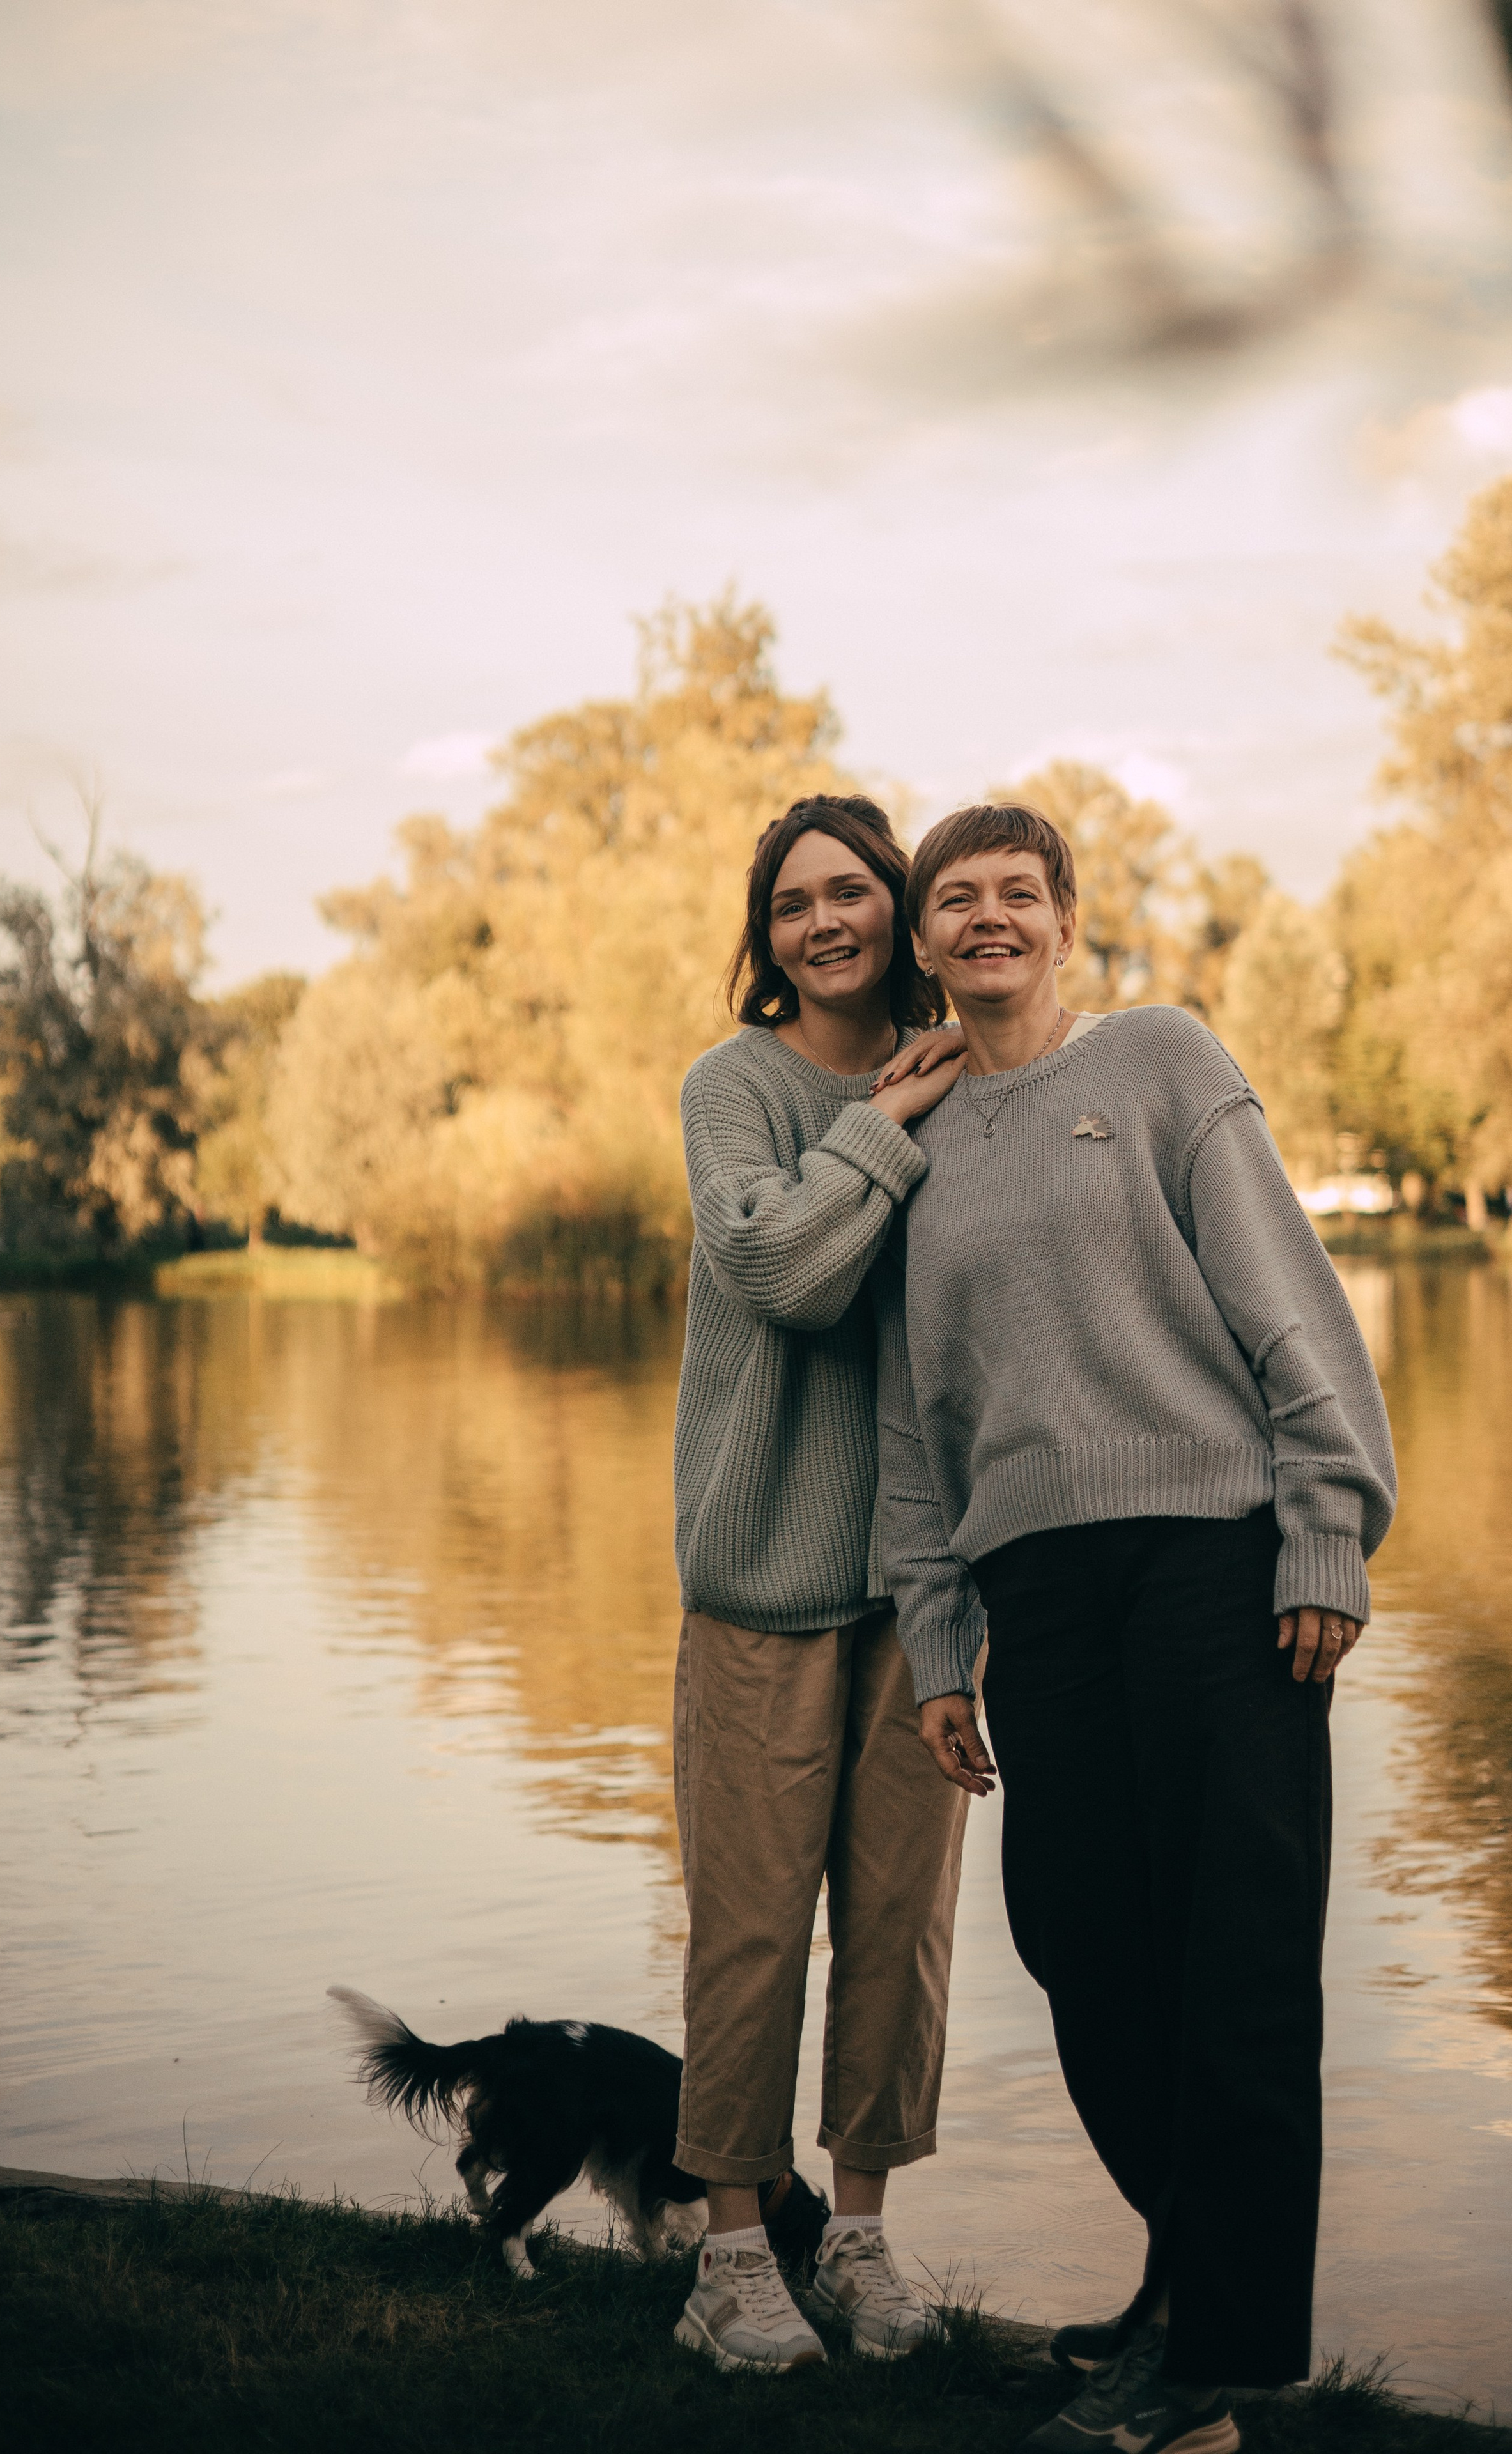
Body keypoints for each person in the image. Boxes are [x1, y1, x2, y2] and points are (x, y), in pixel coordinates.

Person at [871, 801, 1396, 2454]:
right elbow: (909, 1428)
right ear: (923, 941)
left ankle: (1201, 2368)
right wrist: (938, 1643)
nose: (989, 918)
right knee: (1083, 1944)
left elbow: (1285, 1302)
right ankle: (1184, 2283)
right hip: (1036, 1591)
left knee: (1234, 1954)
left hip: (1215, 1564)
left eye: (1019, 893)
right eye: (957, 899)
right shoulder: (912, 1140)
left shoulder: (1159, 1059)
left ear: (1065, 921)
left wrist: (1325, 1527)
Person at [670, 792, 981, 2375]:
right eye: (791, 903)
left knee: (899, 1929)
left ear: (895, 909)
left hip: (925, 1586)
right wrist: (884, 1125)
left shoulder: (970, 1073)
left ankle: (854, 2239)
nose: (823, 921)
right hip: (761, 1582)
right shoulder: (731, 1088)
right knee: (747, 1930)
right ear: (767, 937)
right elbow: (781, 1273)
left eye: (849, 890)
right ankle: (729, 2256)